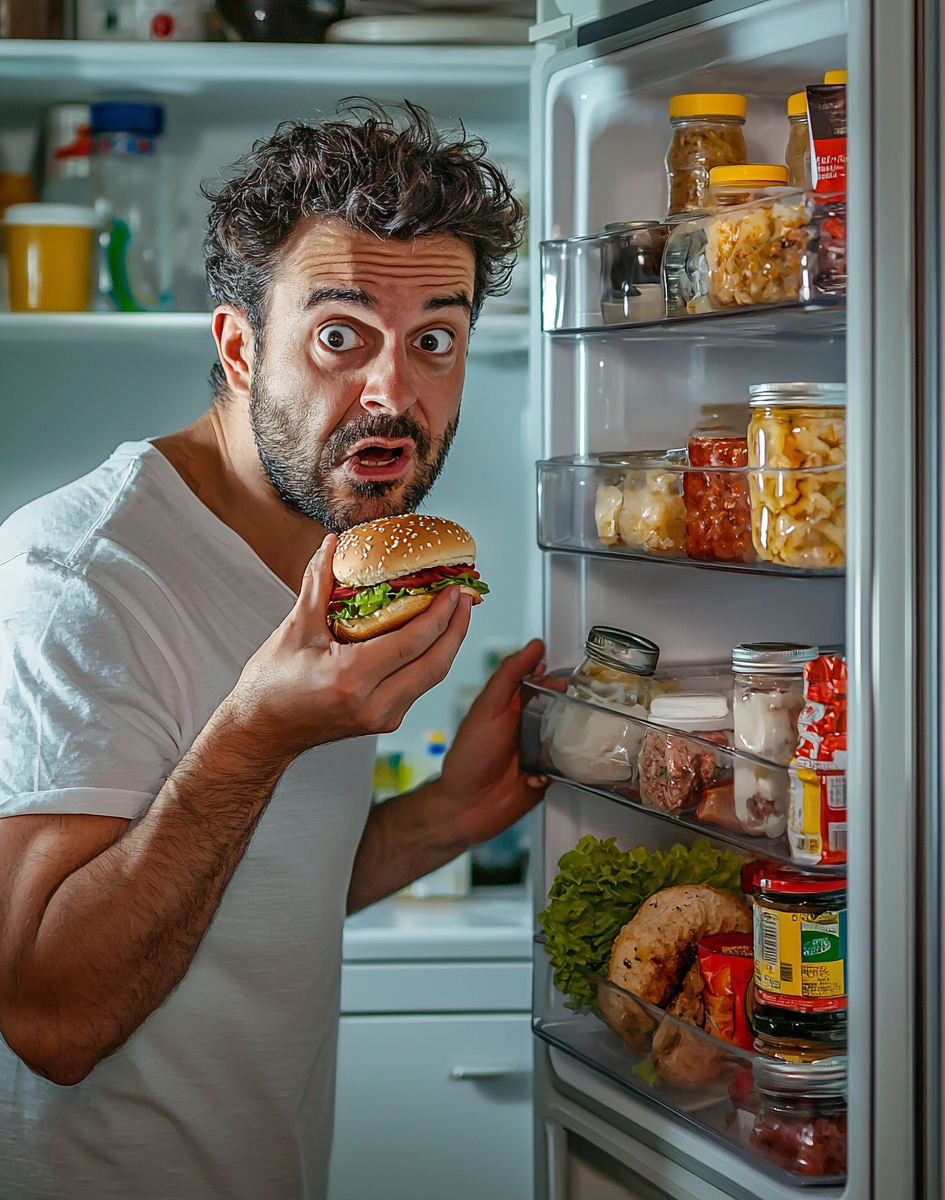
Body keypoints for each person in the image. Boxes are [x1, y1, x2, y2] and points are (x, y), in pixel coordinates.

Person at [0, 102, 545, 1200]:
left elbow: (248, 901)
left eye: (435, 339)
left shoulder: (342, 562)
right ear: (240, 349)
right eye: (340, 335)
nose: (396, 389)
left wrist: (452, 812)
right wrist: (258, 729)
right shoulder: (81, 578)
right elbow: (48, 1015)